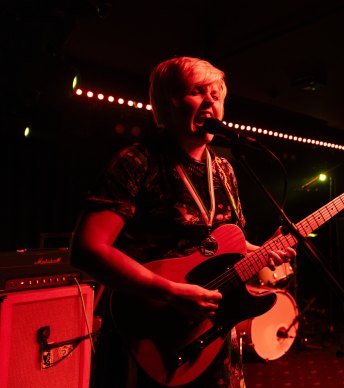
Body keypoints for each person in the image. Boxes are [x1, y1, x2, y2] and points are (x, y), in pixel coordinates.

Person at [70, 56, 296, 387]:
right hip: (147, 327)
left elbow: (219, 244)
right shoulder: (137, 162)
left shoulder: (224, 169)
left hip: (208, 332)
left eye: (216, 95)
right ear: (168, 102)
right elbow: (88, 248)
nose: (209, 101)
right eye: (197, 92)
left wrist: (262, 251)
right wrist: (170, 292)